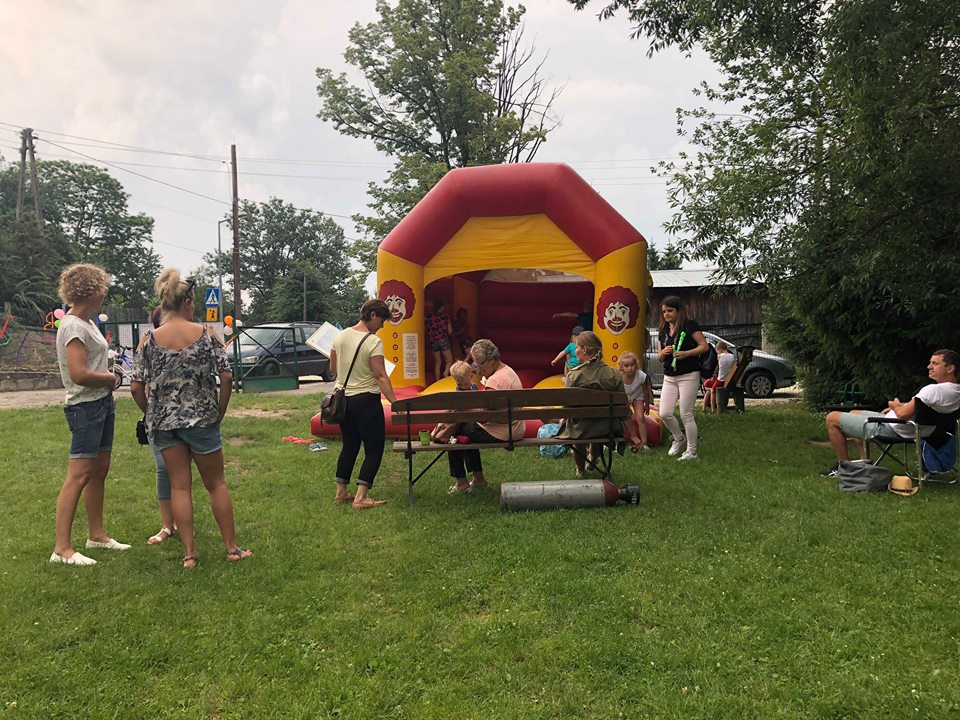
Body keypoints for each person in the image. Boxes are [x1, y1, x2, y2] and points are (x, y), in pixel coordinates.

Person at [130, 269, 251, 568]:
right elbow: (226, 375)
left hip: (165, 424)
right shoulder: (206, 335)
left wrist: (150, 412)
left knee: (179, 487)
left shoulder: (148, 340)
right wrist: (219, 410)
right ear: (186, 301)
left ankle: (189, 554)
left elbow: (135, 385)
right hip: (203, 420)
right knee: (216, 483)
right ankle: (232, 549)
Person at [50, 263, 130, 566]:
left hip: (101, 404)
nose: (104, 295)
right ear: (91, 291)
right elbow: (78, 374)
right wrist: (110, 379)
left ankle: (96, 535)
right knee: (79, 475)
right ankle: (62, 549)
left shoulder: (88, 322)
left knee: (99, 470)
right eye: (102, 289)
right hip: (85, 406)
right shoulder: (72, 326)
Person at [821, 349, 960, 476]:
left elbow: (902, 415)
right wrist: (902, 405)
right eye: (930, 363)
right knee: (854, 412)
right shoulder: (954, 391)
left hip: (893, 428)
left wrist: (895, 406)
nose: (929, 367)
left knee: (832, 418)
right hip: (922, 431)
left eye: (935, 363)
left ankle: (843, 467)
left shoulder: (933, 390)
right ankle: (864, 461)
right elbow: (925, 408)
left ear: (950, 368)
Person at [329, 299, 398, 509]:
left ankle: (341, 493)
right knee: (374, 449)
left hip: (344, 401)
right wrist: (395, 402)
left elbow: (333, 369)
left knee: (349, 446)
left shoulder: (339, 336)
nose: (382, 327)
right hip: (366, 401)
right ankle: (361, 498)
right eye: (383, 321)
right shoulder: (373, 342)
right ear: (374, 315)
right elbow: (380, 376)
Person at [555, 331, 640, 477]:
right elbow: (623, 408)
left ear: (585, 350)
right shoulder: (614, 374)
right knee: (596, 423)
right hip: (606, 427)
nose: (575, 351)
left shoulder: (574, 376)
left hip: (580, 428)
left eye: (577, 347)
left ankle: (581, 470)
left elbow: (566, 407)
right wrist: (633, 435)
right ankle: (593, 458)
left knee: (580, 429)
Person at [446, 339, 524, 494]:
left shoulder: (494, 381)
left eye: (479, 363)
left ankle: (462, 483)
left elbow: (483, 417)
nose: (478, 368)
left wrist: (463, 409)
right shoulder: (508, 371)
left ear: (491, 360)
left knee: (455, 434)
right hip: (515, 427)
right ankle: (477, 478)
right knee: (466, 431)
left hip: (502, 431)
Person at [135, 308, 176, 545]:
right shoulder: (149, 342)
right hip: (164, 416)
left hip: (167, 416)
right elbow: (137, 384)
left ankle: (176, 521)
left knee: (172, 471)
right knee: (167, 469)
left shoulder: (191, 336)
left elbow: (136, 386)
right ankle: (168, 524)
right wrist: (148, 411)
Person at [658, 295, 709, 461]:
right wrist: (663, 353)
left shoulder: (689, 325)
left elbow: (704, 346)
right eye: (664, 311)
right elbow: (659, 357)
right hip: (669, 376)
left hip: (689, 375)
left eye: (670, 310)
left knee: (686, 414)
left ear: (679, 311)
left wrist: (686, 353)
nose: (666, 314)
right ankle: (679, 438)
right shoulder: (663, 330)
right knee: (664, 413)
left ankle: (692, 452)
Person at [618, 350, 653, 451]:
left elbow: (645, 391)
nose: (630, 368)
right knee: (622, 418)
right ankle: (622, 440)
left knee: (640, 418)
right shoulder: (619, 377)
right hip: (624, 398)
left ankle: (644, 443)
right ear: (622, 367)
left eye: (632, 365)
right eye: (626, 366)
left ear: (635, 365)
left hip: (638, 396)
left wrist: (647, 404)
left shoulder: (640, 375)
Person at [702, 341, 735, 413]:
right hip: (728, 378)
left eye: (717, 351)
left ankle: (713, 409)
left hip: (721, 379)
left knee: (713, 391)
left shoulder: (719, 356)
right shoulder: (732, 356)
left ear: (719, 349)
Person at [426, 298, 454, 380]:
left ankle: (437, 380)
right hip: (443, 340)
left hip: (433, 341)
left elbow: (425, 328)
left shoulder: (429, 316)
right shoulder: (445, 317)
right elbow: (450, 331)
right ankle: (446, 372)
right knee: (449, 360)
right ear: (442, 307)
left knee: (437, 362)